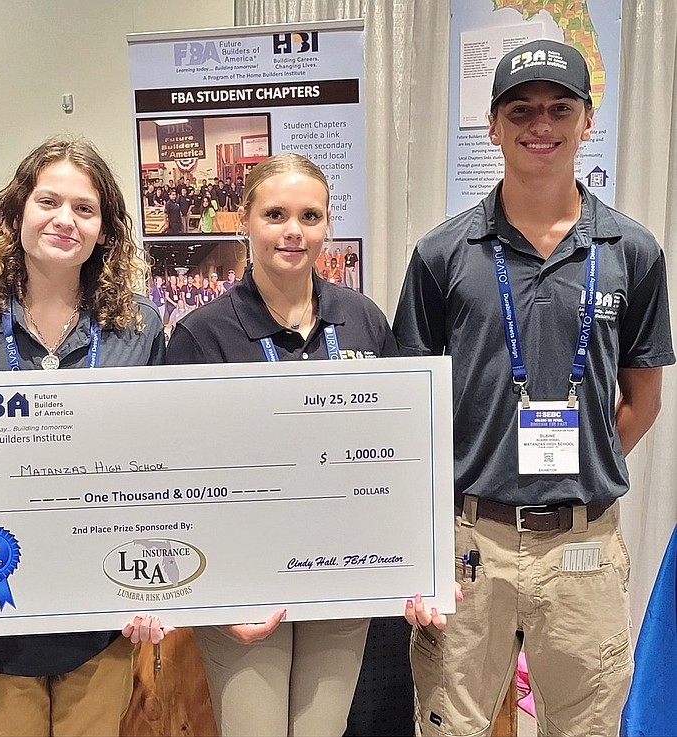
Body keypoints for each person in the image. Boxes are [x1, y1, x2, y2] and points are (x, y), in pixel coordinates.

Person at [396, 39, 673, 737]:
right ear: (492, 126)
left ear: (586, 121)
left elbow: (642, 399)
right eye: (520, 109)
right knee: (451, 726)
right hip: (469, 543)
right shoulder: (441, 254)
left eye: (559, 108)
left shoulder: (632, 251)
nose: (539, 124)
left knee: (584, 727)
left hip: (584, 546)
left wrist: (585, 461)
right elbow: (411, 410)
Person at [0, 136, 170, 737]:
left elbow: (156, 468)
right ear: (17, 212)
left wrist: (158, 584)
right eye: (47, 201)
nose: (64, 219)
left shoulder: (138, 327)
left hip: (103, 610)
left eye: (85, 208)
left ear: (105, 229)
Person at [166, 153, 397, 736]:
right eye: (275, 214)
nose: (293, 231)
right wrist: (217, 596)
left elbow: (397, 446)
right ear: (244, 220)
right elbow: (180, 475)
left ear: (327, 226)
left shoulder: (363, 319)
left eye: (309, 216)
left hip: (339, 576)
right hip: (245, 587)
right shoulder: (204, 333)